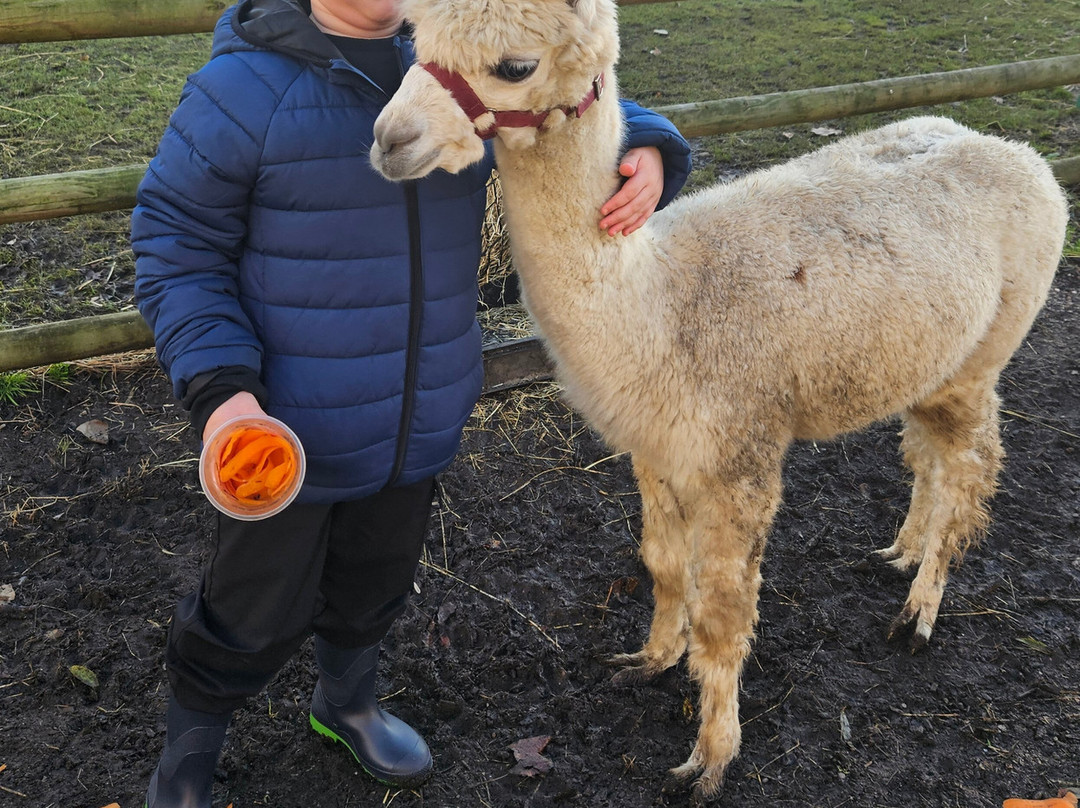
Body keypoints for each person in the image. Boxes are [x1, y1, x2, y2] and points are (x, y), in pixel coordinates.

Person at [130, 0, 692, 805]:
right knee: (249, 605)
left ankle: (347, 703)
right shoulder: (245, 88)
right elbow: (176, 244)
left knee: (377, 577)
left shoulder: (447, 57)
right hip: (284, 429)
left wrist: (650, 144)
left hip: (417, 411)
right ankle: (187, 755)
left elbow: (552, 86)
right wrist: (224, 393)